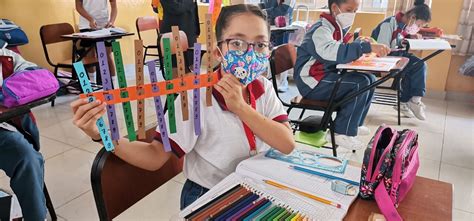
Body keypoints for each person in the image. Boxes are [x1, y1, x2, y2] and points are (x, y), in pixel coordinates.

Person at [71, 4, 295, 209]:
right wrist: (102, 134)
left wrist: (241, 108)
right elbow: (155, 156)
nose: (249, 53)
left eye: (260, 45)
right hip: (208, 196)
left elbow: (286, 143)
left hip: (254, 190)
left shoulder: (262, 87)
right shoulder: (195, 97)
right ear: (218, 51)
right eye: (237, 42)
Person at [293, 0, 391, 150]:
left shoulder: (334, 27)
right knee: (359, 83)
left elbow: (338, 50)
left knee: (369, 79)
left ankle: (354, 124)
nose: (352, 14)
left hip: (323, 77)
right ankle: (341, 132)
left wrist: (358, 44)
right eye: (349, 10)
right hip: (311, 83)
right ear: (334, 7)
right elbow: (332, 52)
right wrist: (365, 47)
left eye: (354, 11)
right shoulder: (320, 29)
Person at [0, 48, 47, 220]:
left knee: (28, 158)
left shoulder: (6, 56)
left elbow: (38, 76)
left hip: (2, 130)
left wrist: (9, 92)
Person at [371, 0, 431, 120]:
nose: (418, 28)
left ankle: (406, 102)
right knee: (419, 65)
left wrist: (409, 37)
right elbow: (382, 49)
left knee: (416, 67)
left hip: (395, 55)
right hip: (383, 59)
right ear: (413, 17)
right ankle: (413, 100)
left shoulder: (403, 25)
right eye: (418, 25)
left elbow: (397, 41)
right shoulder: (389, 24)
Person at [75, 0, 118, 82]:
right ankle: (93, 84)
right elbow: (78, 7)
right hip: (86, 25)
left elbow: (114, 6)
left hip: (105, 26)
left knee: (107, 55)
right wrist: (90, 19)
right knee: (90, 56)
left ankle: (114, 85)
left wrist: (111, 21)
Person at [153, 0, 200, 69]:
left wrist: (196, 30)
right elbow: (176, 8)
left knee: (192, 66)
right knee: (176, 69)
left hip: (190, 31)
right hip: (173, 34)